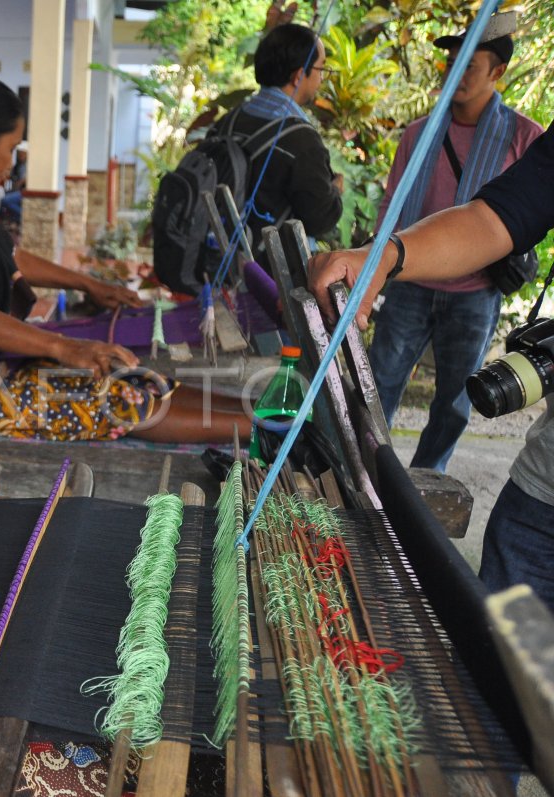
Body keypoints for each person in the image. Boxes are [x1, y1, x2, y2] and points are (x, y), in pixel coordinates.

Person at [0, 76, 251, 444]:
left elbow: (9, 256)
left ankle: (263, 415)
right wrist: (63, 347)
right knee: (118, 399)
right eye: (11, 148)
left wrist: (89, 284)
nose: (11, 163)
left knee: (132, 378)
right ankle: (263, 435)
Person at [308, 119, 554, 614]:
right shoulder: (423, 132)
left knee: (451, 407)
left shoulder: (514, 129)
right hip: (541, 507)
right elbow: (495, 219)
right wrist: (383, 257)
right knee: (512, 674)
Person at [367, 15, 542, 472]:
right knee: (380, 380)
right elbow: (393, 203)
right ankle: (366, 469)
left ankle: (426, 479)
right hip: (409, 280)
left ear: (497, 72)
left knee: (455, 398)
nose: (457, 74)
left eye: (470, 65)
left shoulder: (525, 137)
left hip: (475, 294)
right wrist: (374, 266)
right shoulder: (418, 133)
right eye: (453, 63)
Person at [216, 23, 343, 242]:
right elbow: (320, 219)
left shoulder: (229, 120)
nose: (322, 79)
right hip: (266, 271)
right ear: (299, 76)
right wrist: (335, 192)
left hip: (217, 259)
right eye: (321, 69)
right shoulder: (301, 141)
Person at [0, 139, 27, 221]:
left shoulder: (28, 166)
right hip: (15, 190)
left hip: (24, 192)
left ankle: (24, 217)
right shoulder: (17, 165)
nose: (20, 155)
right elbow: (10, 176)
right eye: (18, 153)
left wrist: (18, 184)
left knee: (5, 201)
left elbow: (24, 180)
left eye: (22, 153)